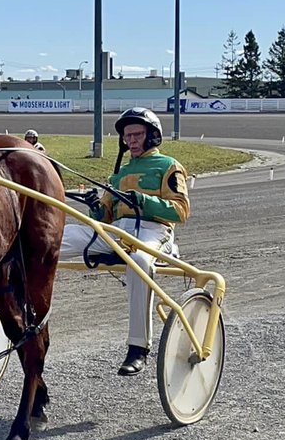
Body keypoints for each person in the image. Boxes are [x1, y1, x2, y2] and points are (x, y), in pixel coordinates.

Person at [59, 107, 190, 375]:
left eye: (137, 134)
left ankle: (138, 348)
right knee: (63, 235)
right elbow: (104, 217)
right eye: (127, 136)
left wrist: (142, 200)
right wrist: (95, 207)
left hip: (153, 232)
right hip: (118, 233)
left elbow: (180, 211)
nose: (131, 140)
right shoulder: (118, 175)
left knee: (140, 262)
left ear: (153, 136)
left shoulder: (169, 166)